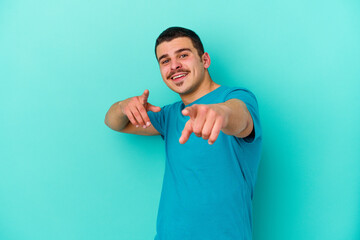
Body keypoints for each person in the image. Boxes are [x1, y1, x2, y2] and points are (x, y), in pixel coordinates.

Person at [104, 27, 262, 240]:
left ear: (204, 60)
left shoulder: (235, 97)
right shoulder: (168, 115)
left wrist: (220, 113)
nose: (174, 65)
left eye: (183, 55)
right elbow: (114, 122)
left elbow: (241, 118)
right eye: (165, 60)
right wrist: (124, 106)